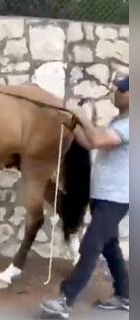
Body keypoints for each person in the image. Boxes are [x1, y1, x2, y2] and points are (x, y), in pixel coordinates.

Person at [39, 75, 129, 319]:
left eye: (122, 90)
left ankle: (65, 300)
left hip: (118, 197)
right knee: (110, 246)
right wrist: (72, 125)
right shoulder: (119, 121)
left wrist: (80, 116)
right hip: (104, 195)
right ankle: (126, 295)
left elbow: (98, 139)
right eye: (119, 88)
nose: (117, 92)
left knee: (91, 245)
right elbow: (90, 143)